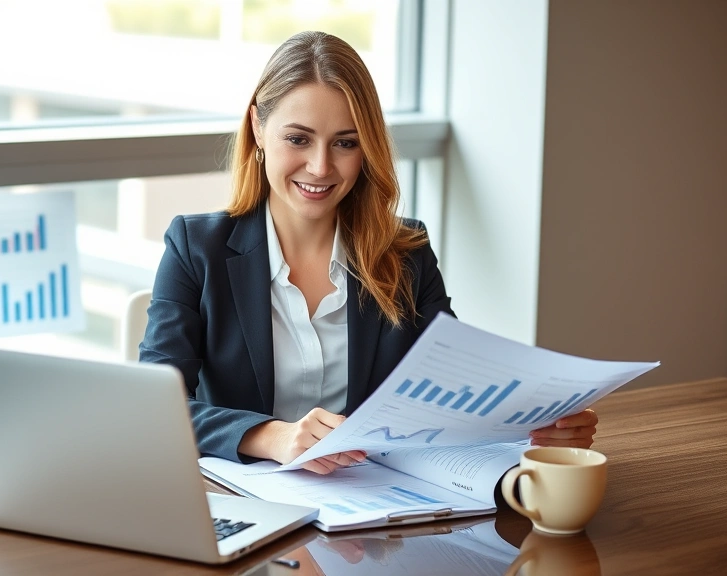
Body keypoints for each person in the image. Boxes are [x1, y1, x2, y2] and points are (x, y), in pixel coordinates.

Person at [139, 31, 597, 475]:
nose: (320, 166)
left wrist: (538, 425)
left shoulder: (407, 254)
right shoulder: (195, 248)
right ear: (258, 127)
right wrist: (270, 436)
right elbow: (155, 407)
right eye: (298, 139)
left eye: (345, 142)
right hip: (238, 509)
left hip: (367, 517)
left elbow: (454, 392)